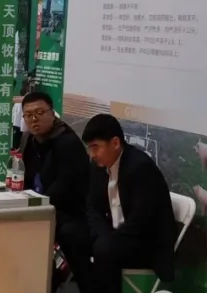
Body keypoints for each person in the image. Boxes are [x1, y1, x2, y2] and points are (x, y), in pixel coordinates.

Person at [82, 114, 176, 293]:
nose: (91, 155)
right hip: (114, 234)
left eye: (95, 147)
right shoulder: (98, 166)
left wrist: (108, 239)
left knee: (104, 250)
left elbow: (142, 223)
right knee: (74, 235)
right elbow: (92, 207)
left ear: (115, 143)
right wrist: (103, 235)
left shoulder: (140, 168)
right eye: (89, 148)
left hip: (144, 242)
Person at [18, 92, 92, 293]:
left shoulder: (68, 143)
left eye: (40, 113)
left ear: (52, 114)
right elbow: (25, 177)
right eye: (29, 115)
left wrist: (35, 209)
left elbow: (64, 188)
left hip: (71, 213)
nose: (34, 119)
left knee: (64, 234)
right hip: (41, 208)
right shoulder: (28, 140)